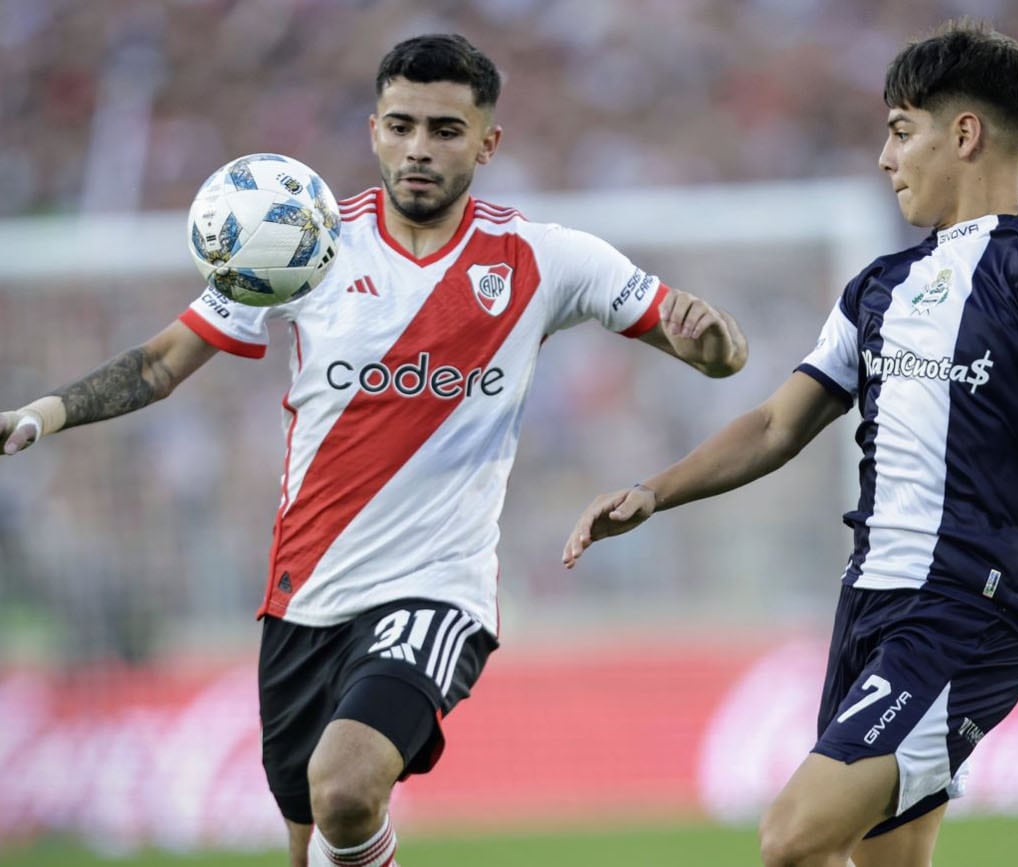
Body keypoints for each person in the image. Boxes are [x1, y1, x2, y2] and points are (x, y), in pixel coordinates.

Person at [562, 19, 1018, 867]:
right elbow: (776, 423)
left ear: (964, 133)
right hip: (868, 607)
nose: (885, 156)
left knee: (793, 836)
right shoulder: (879, 285)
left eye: (900, 131)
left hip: (966, 610)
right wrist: (655, 491)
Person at [0, 33, 747, 867]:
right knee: (312, 841)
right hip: (303, 597)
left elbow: (710, 349)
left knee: (347, 786)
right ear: (373, 131)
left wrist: (714, 342)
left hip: (435, 590)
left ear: (487, 143)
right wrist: (44, 413)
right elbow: (161, 362)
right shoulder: (305, 246)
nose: (419, 148)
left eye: (445, 129)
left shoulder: (545, 258)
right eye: (402, 125)